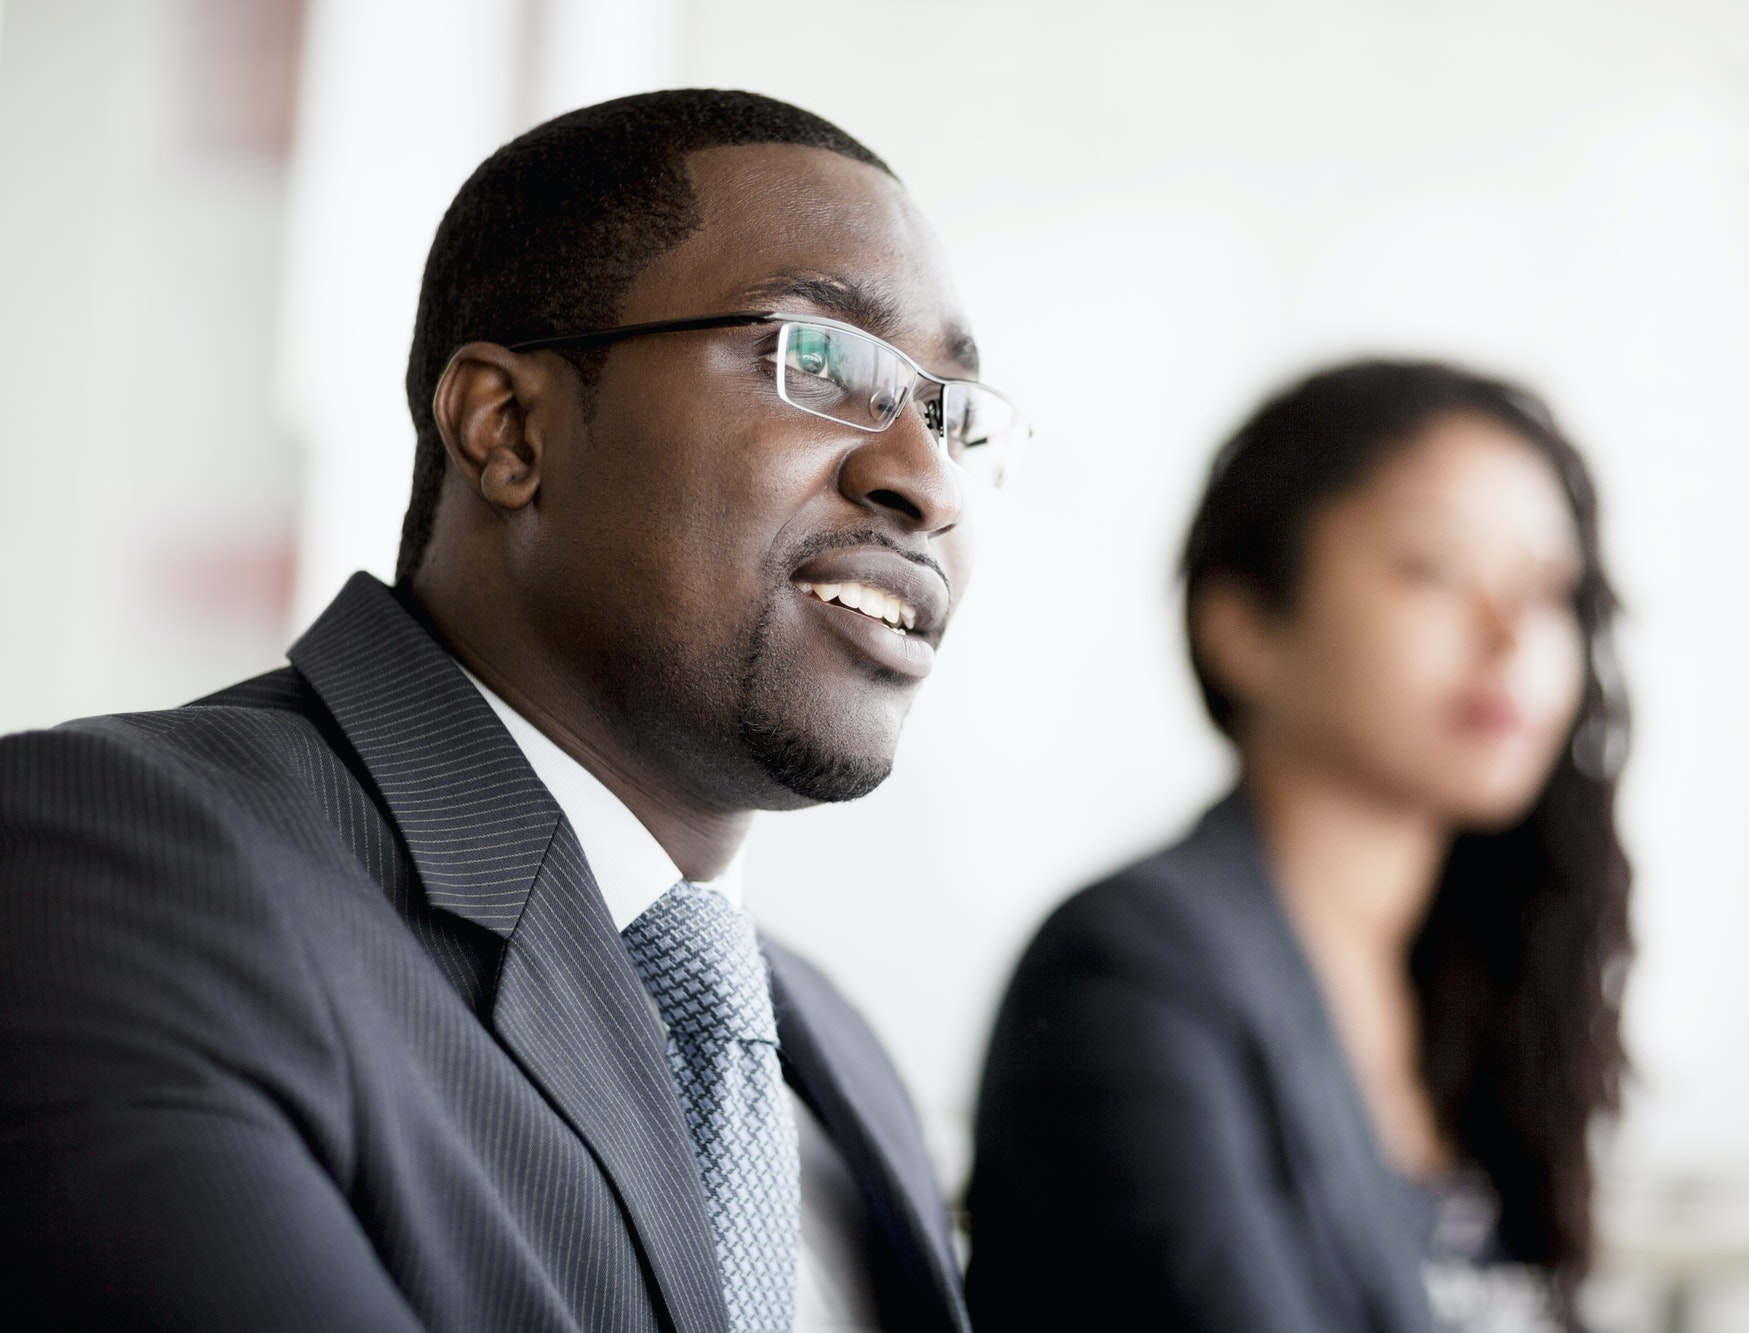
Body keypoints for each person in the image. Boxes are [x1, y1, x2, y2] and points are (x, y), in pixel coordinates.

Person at [0, 89, 1026, 1333]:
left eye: (951, 414)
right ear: (507, 428)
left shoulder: (830, 1050)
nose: (925, 480)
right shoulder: (115, 861)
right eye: (818, 358)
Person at [968, 360, 1631, 1333]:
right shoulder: (1126, 968)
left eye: (1548, 586)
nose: (1511, 632)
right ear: (1244, 626)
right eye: (1436, 568)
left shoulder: (1477, 991)